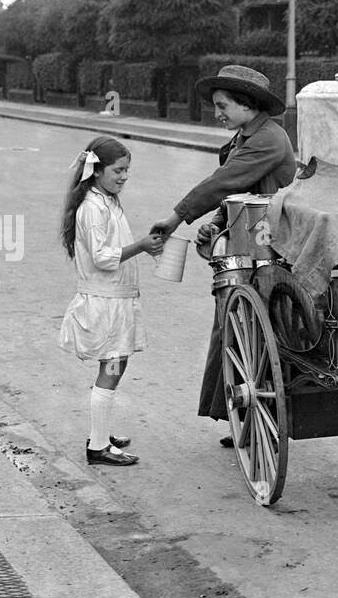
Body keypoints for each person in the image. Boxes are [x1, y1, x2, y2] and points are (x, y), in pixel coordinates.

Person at [148, 65, 296, 430]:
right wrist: (214, 223)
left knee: (249, 327)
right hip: (250, 244)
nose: (217, 114)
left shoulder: (269, 139)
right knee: (233, 325)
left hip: (271, 248)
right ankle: (242, 412)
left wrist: (175, 218)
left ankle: (252, 412)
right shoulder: (244, 138)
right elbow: (234, 192)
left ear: (248, 104)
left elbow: (225, 180)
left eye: (223, 105)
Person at [57, 136, 167, 466]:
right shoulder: (93, 208)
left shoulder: (105, 200)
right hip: (105, 304)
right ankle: (98, 447)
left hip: (115, 300)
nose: (123, 177)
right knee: (112, 369)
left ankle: (101, 434)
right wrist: (142, 246)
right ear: (98, 171)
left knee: (114, 367)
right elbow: (104, 258)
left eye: (127, 171)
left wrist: (144, 247)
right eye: (118, 171)